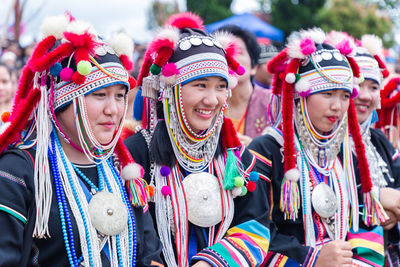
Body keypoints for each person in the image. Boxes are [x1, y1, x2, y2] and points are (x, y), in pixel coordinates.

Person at [0, 14, 163, 266]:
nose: (114, 109)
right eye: (100, 94)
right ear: (61, 100)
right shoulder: (18, 172)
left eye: (120, 96)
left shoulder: (123, 172)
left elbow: (149, 256)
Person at [125, 12, 271, 266]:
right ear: (171, 88)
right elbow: (132, 239)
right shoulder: (137, 154)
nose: (212, 100)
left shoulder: (235, 155)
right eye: (200, 85)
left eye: (221, 86)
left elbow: (255, 226)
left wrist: (213, 262)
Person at [249, 28, 389, 266]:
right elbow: (252, 232)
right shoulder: (267, 150)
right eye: (327, 93)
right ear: (299, 96)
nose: (337, 106)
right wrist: (311, 259)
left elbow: (366, 223)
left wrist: (361, 262)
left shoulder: (344, 152)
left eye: (345, 96)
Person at [353, 34, 400, 266]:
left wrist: (395, 210)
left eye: (373, 87)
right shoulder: (323, 142)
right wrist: (377, 200)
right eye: (357, 84)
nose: (364, 95)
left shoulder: (378, 139)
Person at [214, 25, 270, 145]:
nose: (230, 57)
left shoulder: (273, 103)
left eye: (238, 51)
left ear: (254, 67)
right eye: (224, 50)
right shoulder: (207, 103)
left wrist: (256, 148)